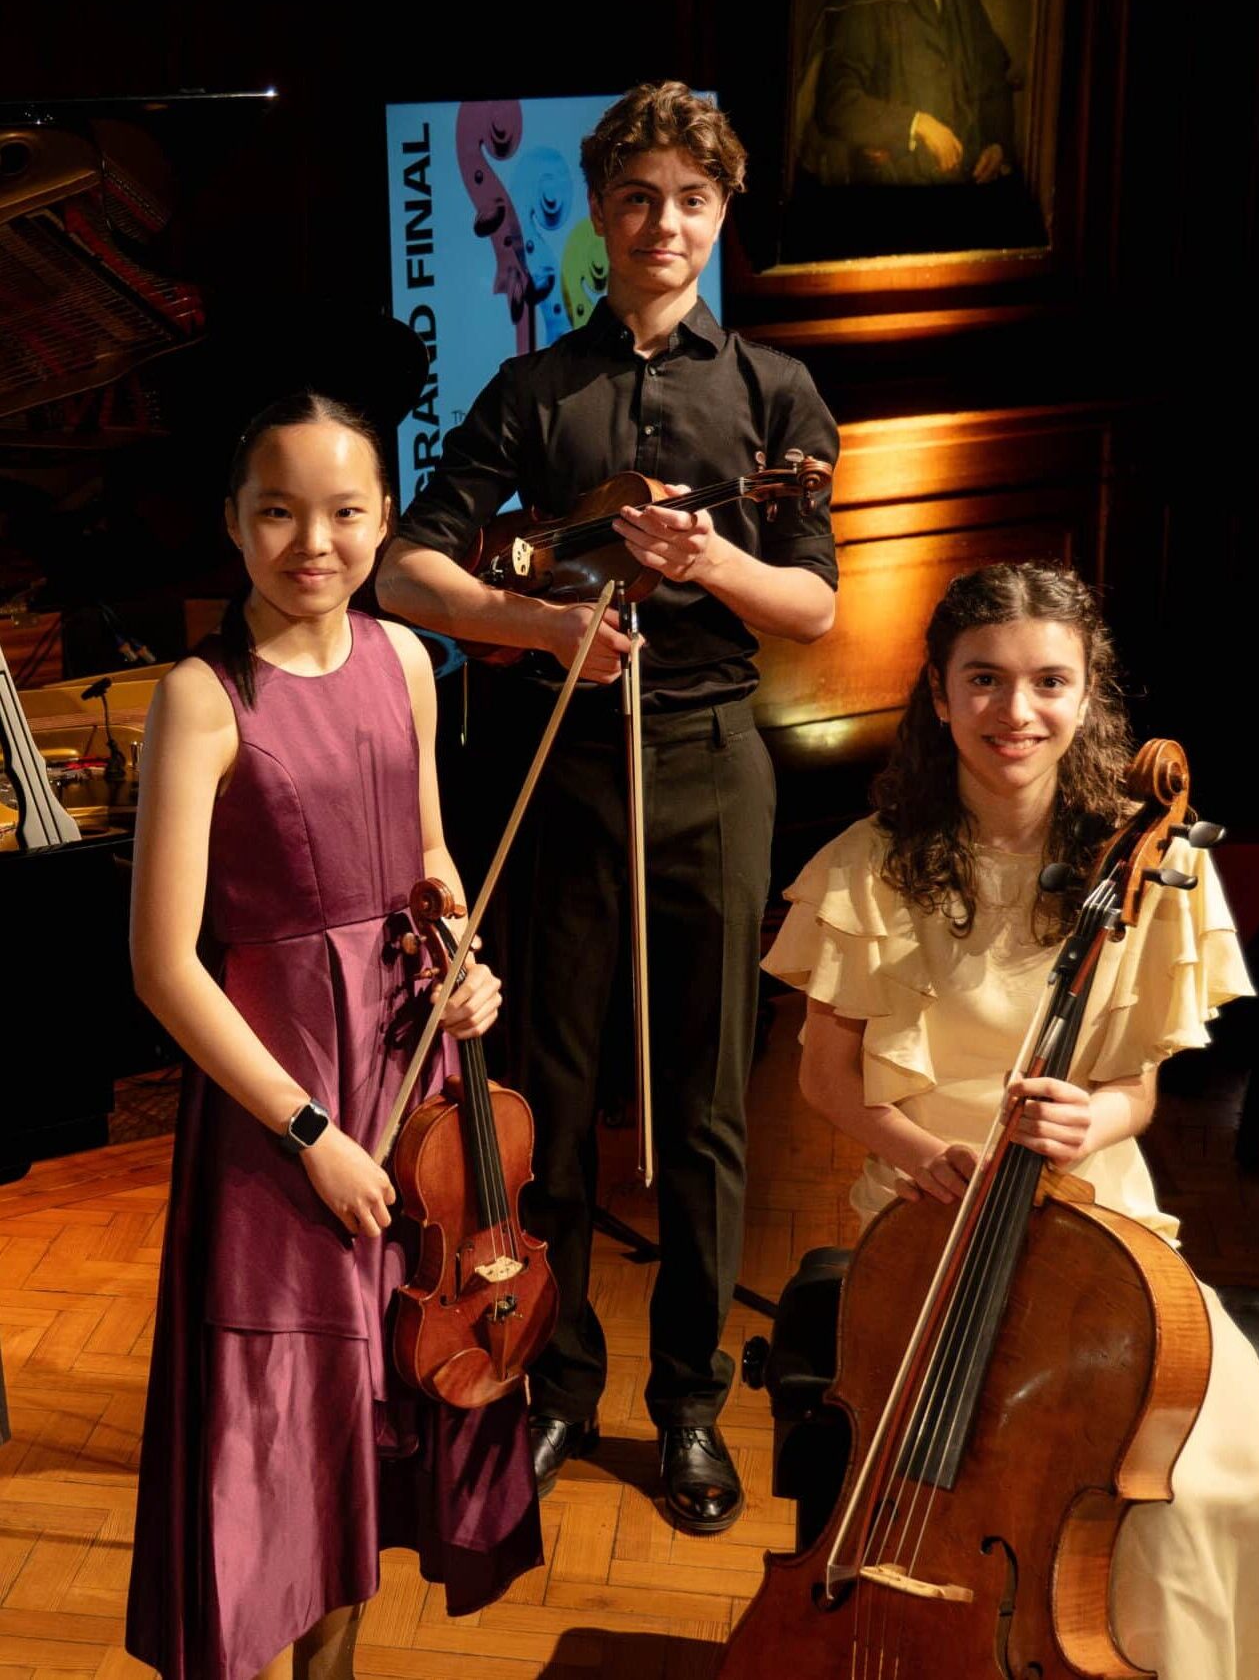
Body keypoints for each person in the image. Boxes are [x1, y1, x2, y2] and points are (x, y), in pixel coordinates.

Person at [376, 81, 840, 1534]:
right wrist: (545, 631)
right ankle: (554, 1376)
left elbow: (815, 604)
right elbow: (409, 571)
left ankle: (689, 1401)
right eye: (635, 196)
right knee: (559, 1098)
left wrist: (707, 565)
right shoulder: (532, 398)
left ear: (720, 215)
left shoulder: (772, 392)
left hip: (710, 754)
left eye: (688, 199)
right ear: (598, 207)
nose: (661, 222)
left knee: (702, 1104)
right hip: (563, 762)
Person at [762, 561, 1259, 1678]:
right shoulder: (865, 869)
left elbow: (1142, 1091)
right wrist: (923, 1157)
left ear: (1087, 694)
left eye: (1047, 683)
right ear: (937, 693)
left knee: (1250, 1485)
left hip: (1096, 1224)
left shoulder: (1158, 870)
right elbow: (827, 1079)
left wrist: (1094, 1115)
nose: (1016, 714)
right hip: (924, 1218)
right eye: (984, 681)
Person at [125, 392, 540, 1680]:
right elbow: (161, 967)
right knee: (285, 1418)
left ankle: (339, 1670)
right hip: (282, 1102)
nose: (316, 540)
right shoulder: (200, 696)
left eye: (347, 512)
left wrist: (468, 964)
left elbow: (426, 859)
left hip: (413, 1083)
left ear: (380, 520)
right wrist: (307, 1134)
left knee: (395, 1392)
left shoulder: (406, 661)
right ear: (235, 525)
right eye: (280, 512)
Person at [810, 0, 1016, 187]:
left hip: (969, 177)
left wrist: (997, 143)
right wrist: (916, 124)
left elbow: (991, 74)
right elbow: (836, 102)